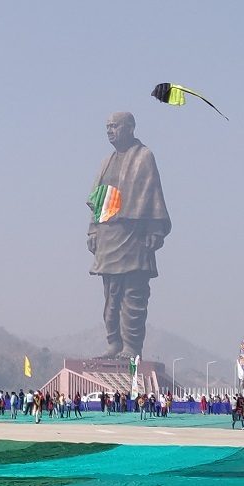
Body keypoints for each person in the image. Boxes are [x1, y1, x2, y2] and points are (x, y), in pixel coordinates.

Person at [87, 112, 172, 358]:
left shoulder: (144, 156)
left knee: (134, 295)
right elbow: (97, 202)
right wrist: (93, 230)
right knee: (111, 296)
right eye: (107, 126)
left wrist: (154, 229)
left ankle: (132, 346)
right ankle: (114, 342)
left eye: (114, 126)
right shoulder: (107, 161)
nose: (109, 130)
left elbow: (152, 194)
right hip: (108, 235)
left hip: (134, 236)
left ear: (130, 128)